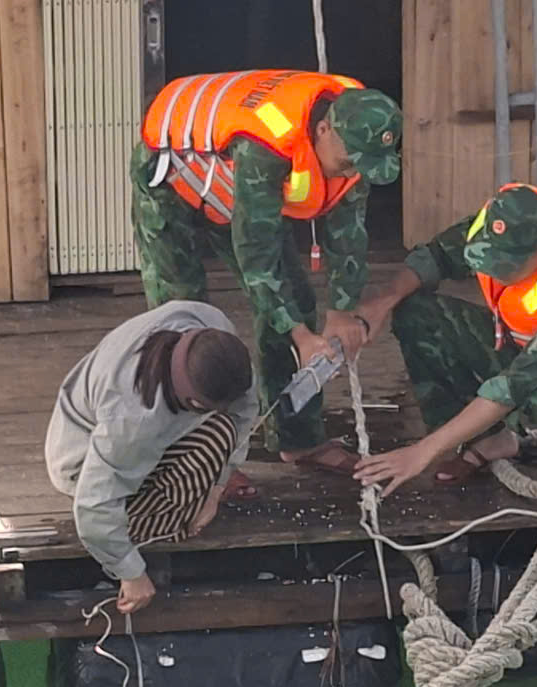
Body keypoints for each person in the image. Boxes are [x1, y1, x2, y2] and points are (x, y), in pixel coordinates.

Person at [132, 69, 402, 477]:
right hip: (170, 178)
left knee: (297, 296)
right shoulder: (266, 144)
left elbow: (348, 232)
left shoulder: (360, 138)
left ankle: (298, 438)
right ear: (324, 130)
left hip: (226, 183)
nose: (352, 174)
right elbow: (256, 253)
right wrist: (299, 335)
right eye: (348, 163)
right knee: (182, 317)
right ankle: (195, 456)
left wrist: (342, 311)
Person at [351, 184, 537, 497]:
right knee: (416, 313)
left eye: (503, 266)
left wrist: (422, 452)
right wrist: (383, 301)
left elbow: (519, 382)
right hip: (521, 346)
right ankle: (486, 439)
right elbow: (436, 256)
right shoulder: (500, 223)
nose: (492, 272)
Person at [44, 301, 259, 613]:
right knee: (210, 443)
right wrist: (131, 572)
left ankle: (178, 499)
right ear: (192, 401)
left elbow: (244, 413)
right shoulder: (132, 420)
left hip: (132, 430)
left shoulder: (212, 325)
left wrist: (216, 488)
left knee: (223, 430)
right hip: (81, 461)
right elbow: (93, 507)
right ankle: (160, 525)